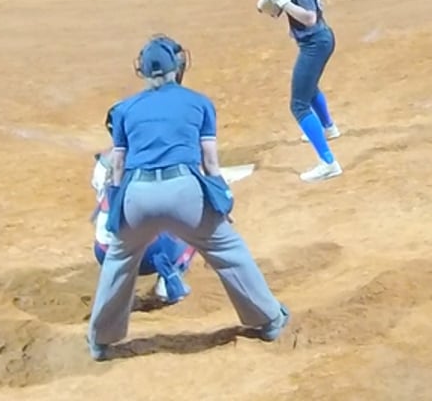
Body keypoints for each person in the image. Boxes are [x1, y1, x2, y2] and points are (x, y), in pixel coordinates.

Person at [87, 36, 289, 361]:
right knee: (227, 249)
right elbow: (210, 162)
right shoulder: (199, 102)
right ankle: (269, 321)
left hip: (138, 194)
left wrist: (117, 210)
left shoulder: (124, 109)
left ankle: (100, 341)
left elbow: (118, 167)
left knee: (120, 259)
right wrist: (221, 200)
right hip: (184, 192)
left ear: (142, 71)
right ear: (176, 68)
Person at [259, 0, 342, 182]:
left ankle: (328, 163)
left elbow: (309, 17)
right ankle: (328, 127)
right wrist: (275, 2)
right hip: (318, 41)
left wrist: (283, 2)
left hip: (315, 43)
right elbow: (274, 11)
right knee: (309, 87)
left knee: (298, 104)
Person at [92, 106, 197, 305]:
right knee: (196, 220)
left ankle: (120, 288)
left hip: (106, 254)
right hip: (148, 256)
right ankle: (169, 279)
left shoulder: (102, 166)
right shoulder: (154, 157)